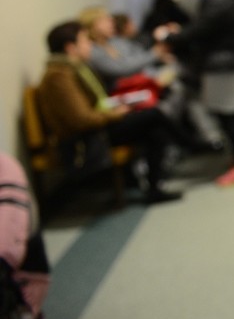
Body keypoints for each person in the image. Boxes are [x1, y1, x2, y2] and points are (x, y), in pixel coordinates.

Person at [36, 21, 183, 204]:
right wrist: (118, 112)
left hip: (97, 127)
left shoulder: (75, 69)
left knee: (155, 128)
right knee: (153, 116)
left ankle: (155, 186)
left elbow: (93, 107)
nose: (90, 45)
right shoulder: (60, 77)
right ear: (70, 47)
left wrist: (118, 107)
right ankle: (185, 142)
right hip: (85, 138)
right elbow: (82, 119)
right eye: (84, 41)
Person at [157, 0, 234, 187]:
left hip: (223, 63)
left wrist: (172, 37)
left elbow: (203, 27)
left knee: (228, 114)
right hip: (229, 59)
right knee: (233, 113)